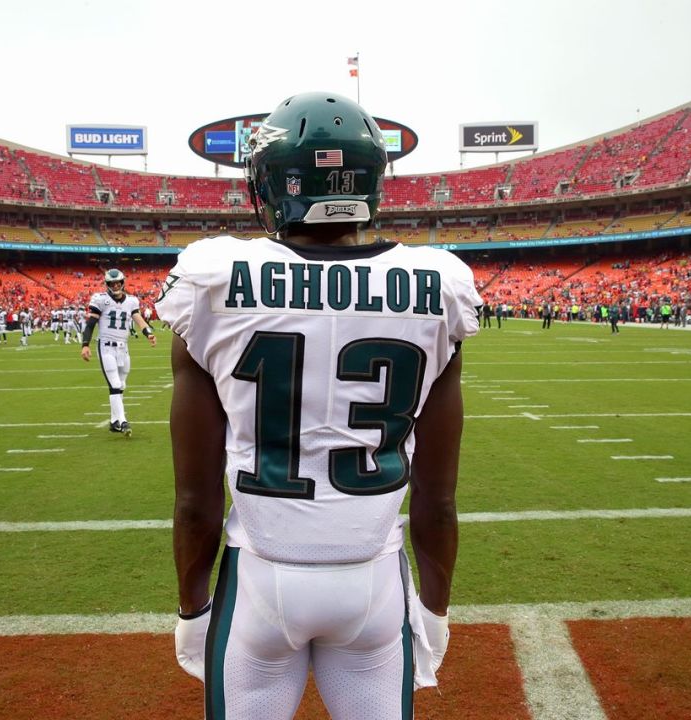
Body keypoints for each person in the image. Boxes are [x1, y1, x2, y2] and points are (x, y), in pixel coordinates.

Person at [158, 93, 478, 719]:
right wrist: (435, 611)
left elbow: (195, 505)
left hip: (259, 578)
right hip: (374, 581)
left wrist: (192, 607)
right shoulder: (440, 283)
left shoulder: (214, 276)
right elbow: (437, 503)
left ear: (273, 184)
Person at [80, 269, 156, 435]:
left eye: (117, 283)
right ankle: (123, 421)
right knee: (114, 384)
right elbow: (91, 323)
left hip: (123, 347)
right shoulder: (101, 300)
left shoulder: (131, 301)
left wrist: (148, 333)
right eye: (112, 284)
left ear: (122, 282)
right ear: (107, 285)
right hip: (106, 346)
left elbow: (138, 319)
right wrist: (85, 344)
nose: (115, 286)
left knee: (121, 385)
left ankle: (114, 421)